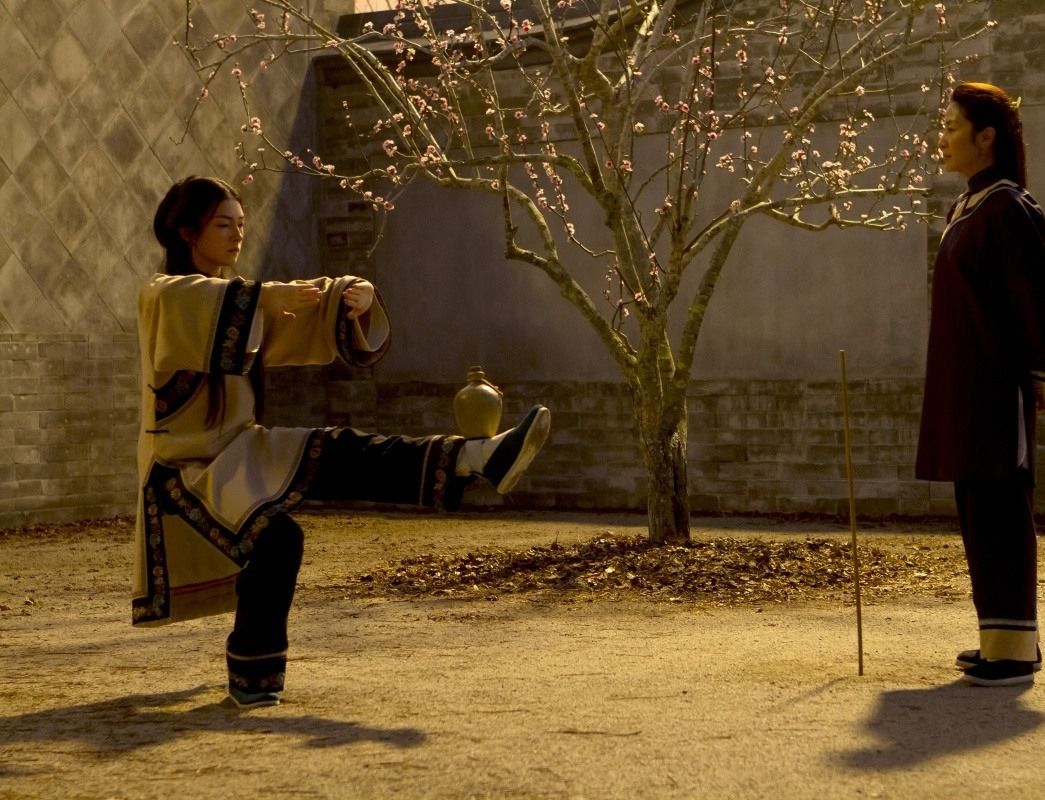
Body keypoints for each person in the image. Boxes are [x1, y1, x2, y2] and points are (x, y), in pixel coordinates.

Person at [134, 176, 551, 708]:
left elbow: (281, 311)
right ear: (187, 231)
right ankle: (253, 676)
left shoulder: (241, 303)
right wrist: (268, 297)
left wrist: (350, 296)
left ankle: (476, 457)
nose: (238, 234)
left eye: (241, 224)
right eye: (223, 224)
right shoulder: (163, 296)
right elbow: (214, 304)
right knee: (278, 538)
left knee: (342, 450)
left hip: (242, 451)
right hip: (186, 469)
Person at [916, 82, 1045, 687]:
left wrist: (1040, 377)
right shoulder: (967, 208)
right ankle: (1000, 640)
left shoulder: (1009, 208)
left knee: (1000, 509)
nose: (941, 138)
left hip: (996, 389)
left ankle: (1015, 653)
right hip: (964, 388)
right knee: (976, 510)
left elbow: (1035, 301)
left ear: (986, 136)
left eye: (951, 127)